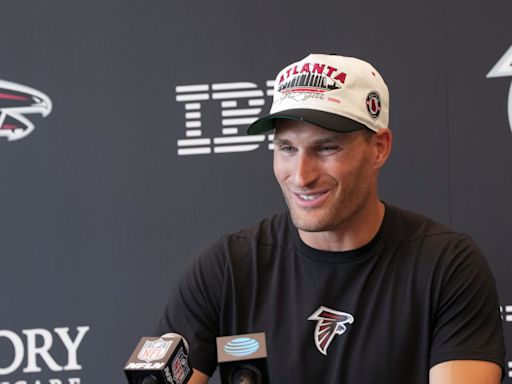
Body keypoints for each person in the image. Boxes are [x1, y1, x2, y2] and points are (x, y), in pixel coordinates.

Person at [157, 53, 506, 383]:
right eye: (287, 149)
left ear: (380, 148)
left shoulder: (447, 264)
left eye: (326, 148)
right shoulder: (228, 268)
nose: (301, 175)